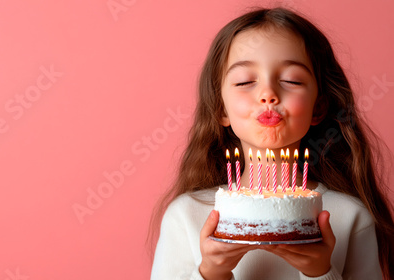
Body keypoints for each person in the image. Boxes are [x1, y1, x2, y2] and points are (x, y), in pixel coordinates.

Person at [148, 7, 394, 280]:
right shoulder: (186, 215)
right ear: (221, 109)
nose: (268, 94)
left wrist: (319, 272)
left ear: (318, 107)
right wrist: (211, 272)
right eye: (244, 82)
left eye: (291, 80)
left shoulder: (350, 217)